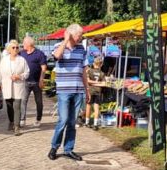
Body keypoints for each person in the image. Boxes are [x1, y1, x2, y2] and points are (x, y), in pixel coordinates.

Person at [48, 24, 90, 161]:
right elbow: (56, 57)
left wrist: (87, 89)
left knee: (72, 122)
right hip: (64, 90)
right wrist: (65, 40)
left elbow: (84, 70)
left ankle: (68, 149)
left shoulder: (81, 49)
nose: (81, 37)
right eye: (79, 35)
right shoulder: (59, 46)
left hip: (78, 90)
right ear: (71, 34)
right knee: (63, 120)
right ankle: (54, 147)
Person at [0, 40, 29, 135]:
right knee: (9, 106)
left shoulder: (22, 60)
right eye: (13, 48)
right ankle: (11, 122)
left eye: (17, 47)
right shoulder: (4, 60)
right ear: (9, 49)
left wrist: (19, 76)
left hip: (18, 86)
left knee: (17, 106)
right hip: (6, 86)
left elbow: (27, 72)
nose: (15, 49)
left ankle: (17, 127)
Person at [19, 36, 47, 127]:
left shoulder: (39, 54)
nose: (22, 44)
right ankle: (22, 119)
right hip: (25, 82)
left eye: (24, 43)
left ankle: (38, 119)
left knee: (39, 102)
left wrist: (41, 80)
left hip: (36, 82)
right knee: (23, 100)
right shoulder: (21, 53)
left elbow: (43, 68)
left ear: (29, 44)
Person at [85, 56, 105, 129]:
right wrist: (97, 83)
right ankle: (95, 124)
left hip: (90, 91)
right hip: (98, 91)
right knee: (96, 108)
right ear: (101, 64)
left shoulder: (90, 71)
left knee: (88, 106)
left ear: (93, 63)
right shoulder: (102, 73)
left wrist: (92, 83)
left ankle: (87, 122)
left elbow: (87, 80)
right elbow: (103, 84)